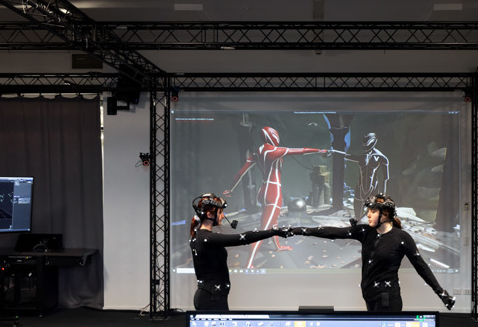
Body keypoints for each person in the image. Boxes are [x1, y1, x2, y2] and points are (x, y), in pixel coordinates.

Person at [293, 194, 455, 312]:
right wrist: (300, 230)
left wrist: (442, 293)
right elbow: (333, 232)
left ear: (385, 215)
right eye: (368, 211)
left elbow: (422, 267)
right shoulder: (365, 232)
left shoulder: (401, 238)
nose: (368, 215)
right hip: (369, 297)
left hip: (388, 301)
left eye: (372, 211)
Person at [227, 126, 329, 268]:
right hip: (273, 193)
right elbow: (301, 151)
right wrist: (320, 151)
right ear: (272, 136)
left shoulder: (258, 152)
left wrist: (230, 189)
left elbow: (240, 173)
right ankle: (249, 264)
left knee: (272, 222)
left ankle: (277, 246)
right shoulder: (275, 151)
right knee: (263, 231)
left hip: (263, 192)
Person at [189, 193, 290, 310]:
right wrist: (273, 232)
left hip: (213, 296)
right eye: (220, 212)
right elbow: (243, 238)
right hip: (211, 299)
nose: (222, 216)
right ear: (209, 214)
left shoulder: (199, 237)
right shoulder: (207, 238)